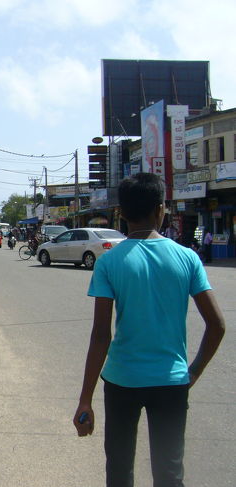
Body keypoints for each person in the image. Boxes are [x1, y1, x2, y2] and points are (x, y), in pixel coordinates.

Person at [73, 173, 225, 487]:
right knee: (170, 474)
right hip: (171, 384)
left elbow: (101, 335)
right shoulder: (187, 258)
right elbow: (217, 326)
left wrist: (85, 399)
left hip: (121, 383)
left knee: (119, 471)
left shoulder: (109, 262)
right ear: (161, 210)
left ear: (122, 213)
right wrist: (192, 373)